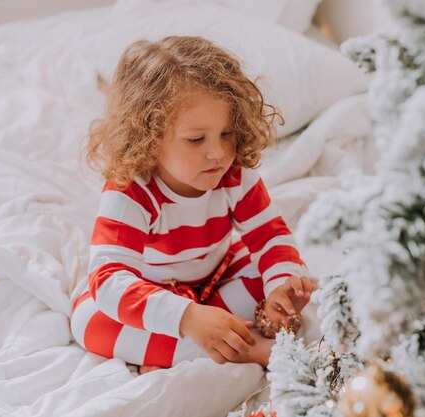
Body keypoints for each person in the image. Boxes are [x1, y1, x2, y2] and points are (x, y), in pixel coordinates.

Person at [70, 36, 317, 374]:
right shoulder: (130, 192)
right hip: (153, 295)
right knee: (88, 323)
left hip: (217, 278)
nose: (217, 153)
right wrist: (187, 317)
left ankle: (186, 347)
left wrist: (280, 288)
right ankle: (246, 348)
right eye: (196, 139)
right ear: (149, 137)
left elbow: (270, 237)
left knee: (273, 272)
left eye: (227, 134)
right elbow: (109, 279)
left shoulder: (233, 175)